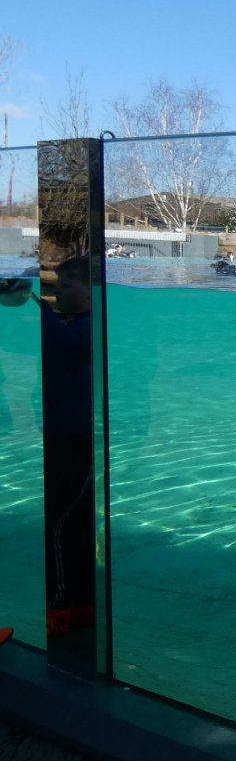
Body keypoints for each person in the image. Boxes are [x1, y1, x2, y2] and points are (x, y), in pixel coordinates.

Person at [2, 257, 97, 636]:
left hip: (79, 438)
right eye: (54, 287)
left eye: (64, 287)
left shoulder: (90, 327)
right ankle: (79, 603)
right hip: (60, 435)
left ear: (91, 292)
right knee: (72, 524)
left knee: (60, 524)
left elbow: (67, 344)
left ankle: (60, 605)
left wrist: (36, 305)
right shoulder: (67, 324)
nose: (56, 294)